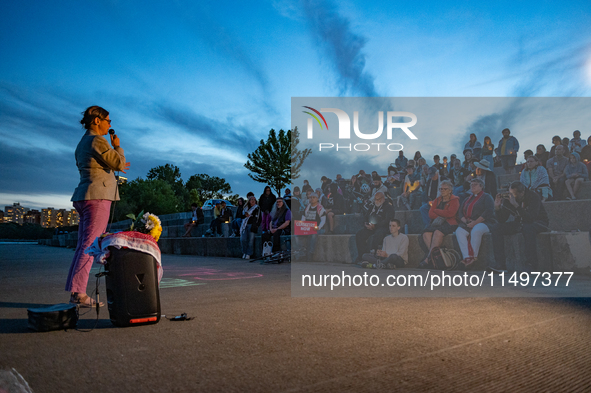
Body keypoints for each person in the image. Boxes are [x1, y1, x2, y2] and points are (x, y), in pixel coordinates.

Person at [67, 105, 130, 307]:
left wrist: (115, 159)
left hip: (85, 195)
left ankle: (76, 290)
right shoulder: (96, 140)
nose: (109, 124)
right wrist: (117, 148)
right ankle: (79, 293)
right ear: (97, 120)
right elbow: (118, 163)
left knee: (82, 246)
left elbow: (113, 163)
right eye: (108, 121)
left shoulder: (83, 142)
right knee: (89, 246)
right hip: (97, 198)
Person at [489, 181, 549, 273]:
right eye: (510, 193)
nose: (511, 196)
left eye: (514, 194)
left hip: (538, 222)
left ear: (522, 193)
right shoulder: (509, 199)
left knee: (528, 228)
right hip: (521, 223)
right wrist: (497, 208)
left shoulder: (533, 197)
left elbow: (531, 218)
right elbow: (502, 220)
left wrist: (516, 206)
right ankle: (500, 264)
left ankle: (531, 265)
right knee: (496, 228)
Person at [454, 179, 496, 269]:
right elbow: (460, 212)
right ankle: (467, 257)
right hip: (468, 222)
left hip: (484, 222)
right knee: (459, 231)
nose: (472, 186)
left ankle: (473, 257)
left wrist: (475, 222)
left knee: (476, 231)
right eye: (471, 185)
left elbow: (488, 211)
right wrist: (465, 221)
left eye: (475, 185)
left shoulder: (487, 197)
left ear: (481, 186)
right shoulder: (467, 199)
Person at [418, 181, 459, 267]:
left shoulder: (454, 200)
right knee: (426, 233)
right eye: (441, 189)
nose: (442, 190)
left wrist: (437, 211)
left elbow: (451, 213)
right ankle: (435, 257)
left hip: (450, 223)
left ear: (450, 190)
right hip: (438, 223)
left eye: (445, 189)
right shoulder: (437, 200)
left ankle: (428, 259)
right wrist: (443, 213)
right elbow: (430, 214)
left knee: (438, 232)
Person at [355, 192, 394, 263]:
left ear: (382, 199)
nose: (376, 201)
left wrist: (376, 226)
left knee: (377, 236)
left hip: (382, 227)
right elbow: (366, 216)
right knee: (359, 235)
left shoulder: (388, 208)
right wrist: (366, 224)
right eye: (375, 199)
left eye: (378, 199)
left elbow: (387, 220)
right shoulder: (372, 207)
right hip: (371, 226)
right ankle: (362, 256)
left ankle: (373, 256)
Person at [296, 192, 327, 261]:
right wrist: (301, 226)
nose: (312, 199)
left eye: (314, 197)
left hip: (318, 228)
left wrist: (318, 227)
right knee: (297, 235)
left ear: (317, 199)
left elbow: (323, 220)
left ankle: (310, 254)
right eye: (311, 197)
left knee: (313, 235)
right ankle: (302, 253)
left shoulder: (320, 208)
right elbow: (303, 218)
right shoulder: (307, 207)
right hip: (307, 228)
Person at [240, 196, 260, 260]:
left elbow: (258, 218)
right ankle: (244, 252)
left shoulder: (257, 208)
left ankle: (249, 253)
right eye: (251, 200)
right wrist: (245, 215)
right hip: (244, 225)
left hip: (252, 225)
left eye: (254, 200)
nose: (253, 201)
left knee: (250, 240)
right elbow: (241, 216)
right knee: (243, 239)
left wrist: (256, 225)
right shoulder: (245, 208)